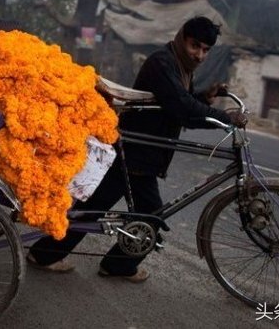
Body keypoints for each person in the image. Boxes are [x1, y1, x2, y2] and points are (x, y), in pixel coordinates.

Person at [27, 16, 247, 282]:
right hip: (136, 152)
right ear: (181, 38)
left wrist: (204, 96)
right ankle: (112, 265)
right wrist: (225, 117)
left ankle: (48, 254)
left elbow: (175, 102)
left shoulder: (180, 65)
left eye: (205, 50)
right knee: (149, 214)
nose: (199, 55)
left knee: (98, 208)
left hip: (140, 152)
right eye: (195, 46)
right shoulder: (162, 63)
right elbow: (182, 109)